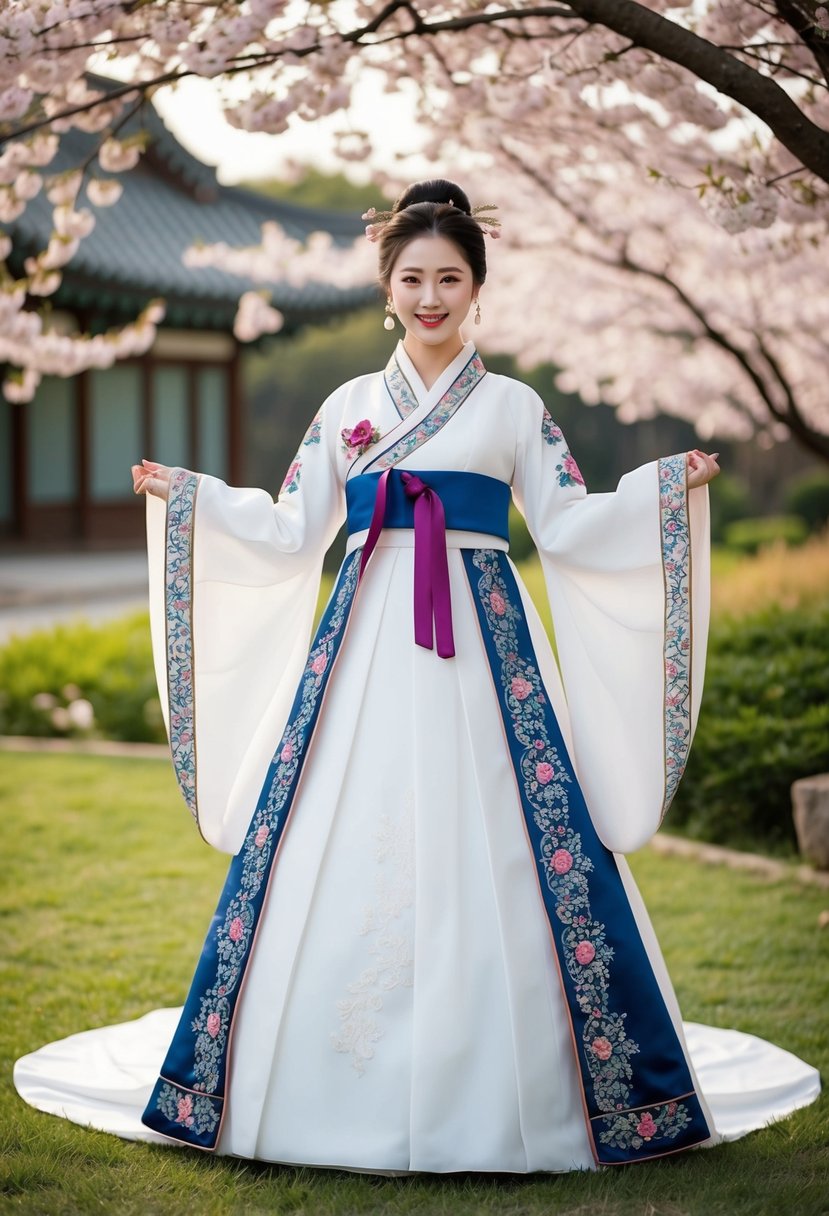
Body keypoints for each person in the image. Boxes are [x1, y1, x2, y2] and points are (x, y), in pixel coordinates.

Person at [15, 179, 819, 1173]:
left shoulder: (515, 407)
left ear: (478, 287)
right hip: (360, 641)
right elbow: (292, 525)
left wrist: (661, 488)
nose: (430, 295)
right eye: (412, 278)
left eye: (449, 277)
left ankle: (546, 1085)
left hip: (484, 647)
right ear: (385, 290)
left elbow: (566, 522)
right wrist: (192, 500)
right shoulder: (348, 406)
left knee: (509, 831)